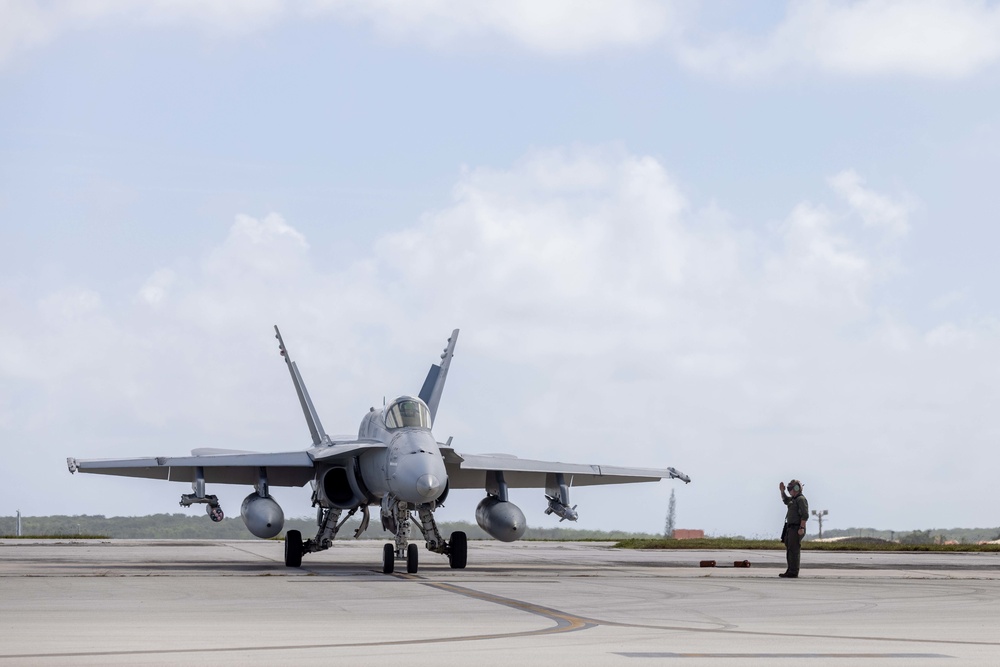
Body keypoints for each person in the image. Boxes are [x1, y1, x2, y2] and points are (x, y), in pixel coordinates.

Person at [778, 479, 808, 578]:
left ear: (796, 488)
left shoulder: (801, 499)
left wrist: (802, 527)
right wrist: (782, 491)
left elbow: (805, 515)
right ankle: (790, 570)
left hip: (796, 528)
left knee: (794, 550)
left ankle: (793, 571)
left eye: (790, 488)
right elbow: (786, 500)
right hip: (790, 528)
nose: (789, 491)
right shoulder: (793, 499)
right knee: (790, 549)